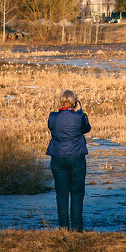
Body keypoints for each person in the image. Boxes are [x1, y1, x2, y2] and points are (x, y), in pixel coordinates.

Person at [46, 89, 90, 231]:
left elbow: (52, 127)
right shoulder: (79, 117)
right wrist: (81, 111)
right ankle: (77, 228)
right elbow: (86, 129)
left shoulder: (52, 117)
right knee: (77, 192)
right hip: (76, 157)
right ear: (74, 102)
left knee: (61, 192)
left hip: (58, 157)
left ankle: (63, 227)